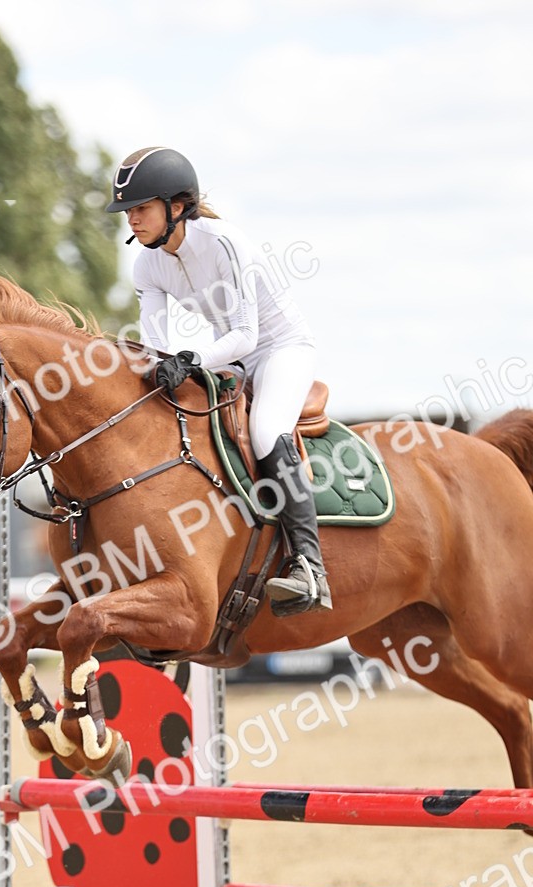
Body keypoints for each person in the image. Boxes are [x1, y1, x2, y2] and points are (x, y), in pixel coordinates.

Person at [106, 146, 331, 614]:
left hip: (282, 347)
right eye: (128, 211)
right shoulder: (147, 263)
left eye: (141, 208)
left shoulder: (223, 242)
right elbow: (155, 343)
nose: (132, 220)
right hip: (231, 355)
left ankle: (310, 567)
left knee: (267, 429)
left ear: (176, 206)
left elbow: (246, 335)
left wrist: (190, 359)